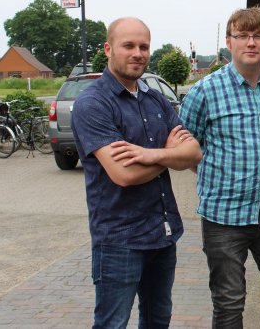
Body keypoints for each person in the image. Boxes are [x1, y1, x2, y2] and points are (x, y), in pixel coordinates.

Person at [71, 17, 202, 329]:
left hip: (162, 232)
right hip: (120, 239)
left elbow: (194, 153)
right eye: (128, 45)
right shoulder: (93, 103)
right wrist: (171, 155)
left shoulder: (154, 98)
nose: (138, 53)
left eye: (144, 46)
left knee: (158, 320)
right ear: (108, 49)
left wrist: (150, 155)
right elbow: (124, 174)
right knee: (112, 323)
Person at [179, 7, 260, 328]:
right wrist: (216, 175)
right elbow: (186, 149)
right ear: (228, 41)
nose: (251, 42)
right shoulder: (205, 91)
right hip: (224, 217)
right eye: (242, 36)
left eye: (258, 36)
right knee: (229, 304)